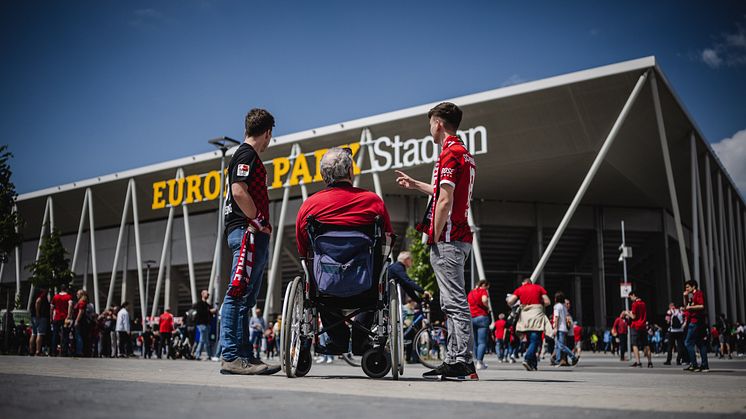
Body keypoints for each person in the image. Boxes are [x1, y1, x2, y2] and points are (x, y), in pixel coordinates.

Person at [395, 102, 478, 381]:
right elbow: (443, 191)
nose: (429, 128)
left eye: (430, 123)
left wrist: (433, 234)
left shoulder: (449, 153)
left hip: (449, 238)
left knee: (454, 302)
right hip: (459, 237)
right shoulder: (463, 154)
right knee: (451, 300)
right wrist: (416, 184)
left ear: (439, 124)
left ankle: (460, 361)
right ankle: (458, 359)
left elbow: (444, 200)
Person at [295, 147, 394, 357]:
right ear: (350, 172)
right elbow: (388, 237)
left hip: (326, 286)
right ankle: (360, 338)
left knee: (314, 273)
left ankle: (338, 339)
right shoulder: (372, 201)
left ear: (323, 176)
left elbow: (302, 247)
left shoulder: (310, 205)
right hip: (365, 284)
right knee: (377, 270)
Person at [219, 108, 279, 376]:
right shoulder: (246, 154)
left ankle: (245, 356)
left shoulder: (245, 155)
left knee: (246, 297)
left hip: (250, 232)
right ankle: (231, 355)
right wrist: (258, 220)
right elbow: (238, 190)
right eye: (270, 136)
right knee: (238, 293)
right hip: (247, 231)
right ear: (266, 133)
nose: (269, 142)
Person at [506, 278, 552, 371]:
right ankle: (527, 359)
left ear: (524, 283)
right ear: (531, 282)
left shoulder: (520, 289)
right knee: (535, 340)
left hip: (525, 317)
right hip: (536, 314)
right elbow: (547, 302)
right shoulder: (539, 288)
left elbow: (510, 301)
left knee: (531, 340)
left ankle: (533, 364)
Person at [683, 280, 709, 372]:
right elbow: (687, 307)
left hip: (695, 322)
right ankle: (704, 365)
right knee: (700, 343)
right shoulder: (692, 296)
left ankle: (694, 364)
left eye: (688, 287)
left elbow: (701, 306)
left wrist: (691, 307)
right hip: (696, 322)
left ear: (693, 286)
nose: (686, 288)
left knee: (688, 343)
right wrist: (685, 296)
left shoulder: (698, 293)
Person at [624, 290, 652, 368]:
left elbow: (633, 317)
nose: (630, 299)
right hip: (643, 326)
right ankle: (650, 362)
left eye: (630, 297)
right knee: (646, 344)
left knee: (635, 344)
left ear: (633, 295)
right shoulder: (643, 303)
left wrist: (627, 313)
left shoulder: (634, 304)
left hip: (636, 326)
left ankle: (638, 362)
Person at [468, 279, 491, 370]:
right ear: (484, 285)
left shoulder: (471, 293)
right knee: (482, 341)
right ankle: (479, 362)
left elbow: (468, 304)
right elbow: (484, 299)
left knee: (475, 342)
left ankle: (474, 362)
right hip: (482, 317)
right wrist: (487, 307)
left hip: (472, 317)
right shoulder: (483, 291)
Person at [552, 292, 578, 367]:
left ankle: (573, 357)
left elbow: (556, 317)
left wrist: (555, 328)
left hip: (559, 328)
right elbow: (566, 317)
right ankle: (558, 360)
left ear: (556, 299)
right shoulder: (563, 307)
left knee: (561, 345)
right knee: (558, 345)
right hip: (564, 328)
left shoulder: (557, 306)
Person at [50, 284, 73, 356]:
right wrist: (69, 315)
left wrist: (51, 317)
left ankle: (53, 351)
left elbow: (52, 307)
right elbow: (70, 304)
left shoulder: (55, 296)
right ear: (66, 289)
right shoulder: (68, 297)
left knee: (55, 334)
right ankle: (64, 351)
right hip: (65, 318)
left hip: (56, 317)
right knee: (65, 335)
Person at [193, 289, 216, 360]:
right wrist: (209, 311)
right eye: (207, 294)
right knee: (203, 339)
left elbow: (210, 314)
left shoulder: (208, 305)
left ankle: (209, 355)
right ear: (202, 294)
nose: (208, 295)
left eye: (208, 294)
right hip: (201, 324)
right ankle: (197, 355)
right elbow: (201, 313)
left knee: (206, 340)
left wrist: (212, 312)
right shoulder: (199, 304)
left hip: (207, 324)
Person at [30, 288, 49, 356]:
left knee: (33, 333)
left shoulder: (35, 294)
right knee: (40, 334)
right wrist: (37, 313)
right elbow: (38, 301)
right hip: (41, 316)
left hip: (33, 316)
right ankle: (38, 351)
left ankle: (31, 350)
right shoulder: (42, 294)